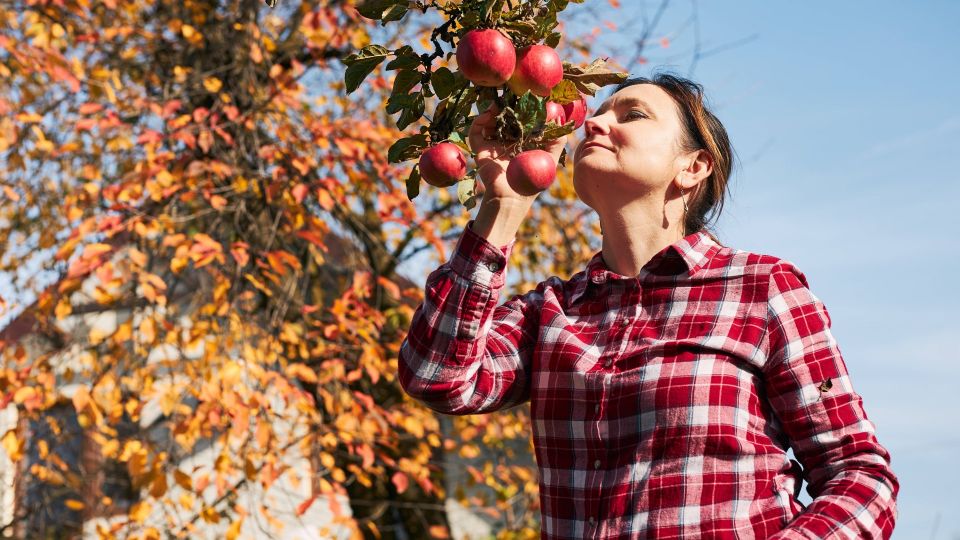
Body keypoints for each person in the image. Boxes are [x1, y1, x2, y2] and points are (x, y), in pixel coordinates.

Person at [397, 71, 899, 539]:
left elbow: (859, 475)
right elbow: (437, 378)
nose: (592, 121)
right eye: (599, 113)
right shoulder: (551, 312)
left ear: (693, 167)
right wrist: (502, 208)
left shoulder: (760, 288)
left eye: (631, 114)